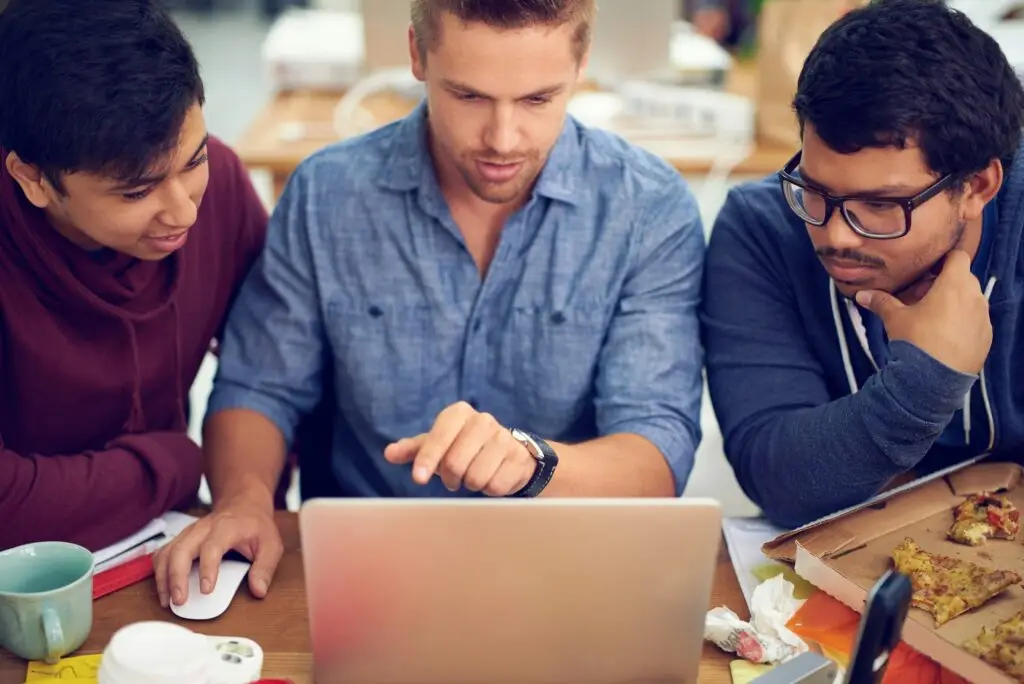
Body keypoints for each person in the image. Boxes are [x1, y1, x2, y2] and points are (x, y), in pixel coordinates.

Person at [154, 0, 707, 607]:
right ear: (417, 56)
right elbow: (259, 388)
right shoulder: (325, 195)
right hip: (365, 565)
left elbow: (656, 450)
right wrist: (244, 501)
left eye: (537, 99)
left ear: (582, 64)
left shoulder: (648, 209)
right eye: (468, 96)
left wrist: (533, 464)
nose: (502, 139)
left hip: (570, 566)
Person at [701, 0, 1024, 529]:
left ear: (977, 186)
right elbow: (778, 477)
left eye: (881, 205)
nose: (834, 234)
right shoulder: (761, 227)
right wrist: (925, 383)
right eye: (815, 189)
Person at [0, 0, 268, 551]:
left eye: (193, 161)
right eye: (137, 192)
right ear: (33, 179)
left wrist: (245, 493)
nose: (185, 213)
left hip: (169, 542)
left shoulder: (222, 192)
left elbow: (280, 369)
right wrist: (174, 462)